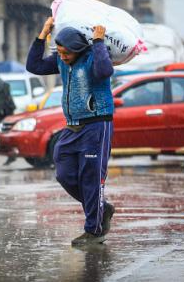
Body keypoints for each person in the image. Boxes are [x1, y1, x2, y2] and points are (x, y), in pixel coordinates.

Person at [26, 17, 115, 246]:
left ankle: (94, 231)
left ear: (78, 48)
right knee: (64, 172)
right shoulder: (61, 61)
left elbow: (105, 71)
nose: (63, 57)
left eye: (67, 53)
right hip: (72, 126)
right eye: (60, 52)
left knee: (91, 177)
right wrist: (42, 34)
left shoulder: (94, 58)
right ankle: (101, 208)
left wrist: (98, 42)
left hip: (96, 124)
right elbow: (33, 66)